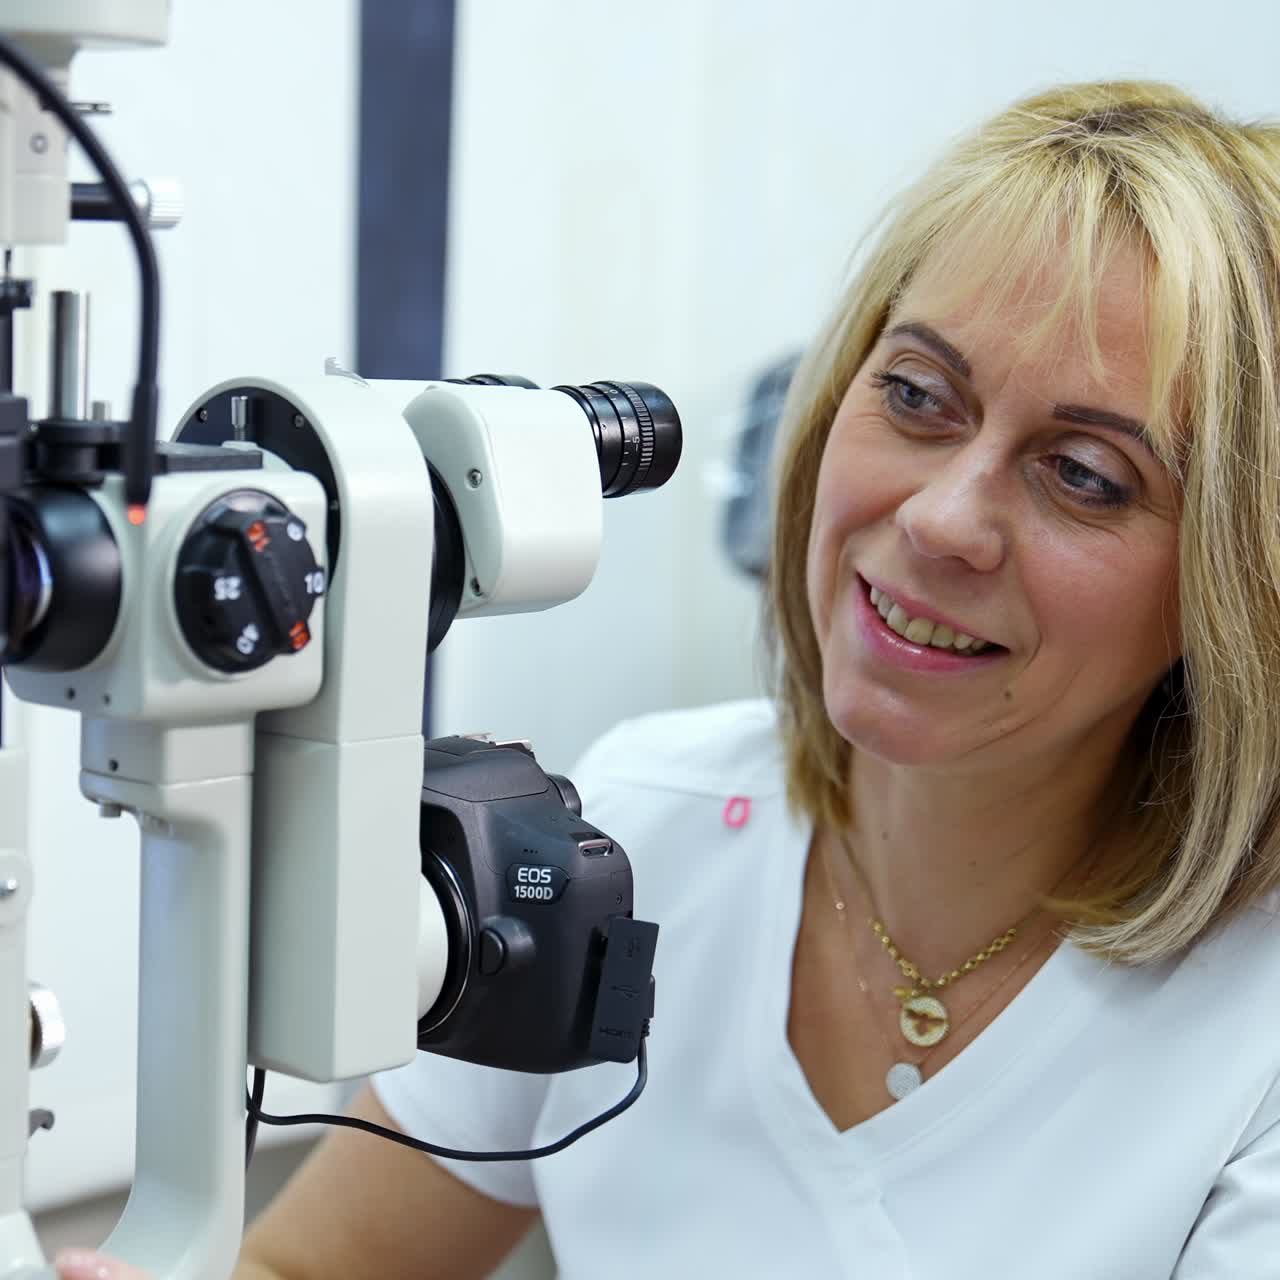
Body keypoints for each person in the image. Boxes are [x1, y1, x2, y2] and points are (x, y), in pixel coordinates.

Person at [59, 78, 1280, 1279]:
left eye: (1082, 474)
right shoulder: (634, 827)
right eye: (915, 396)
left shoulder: (1248, 1036)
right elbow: (317, 1265)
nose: (941, 519)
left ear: (1231, 578)